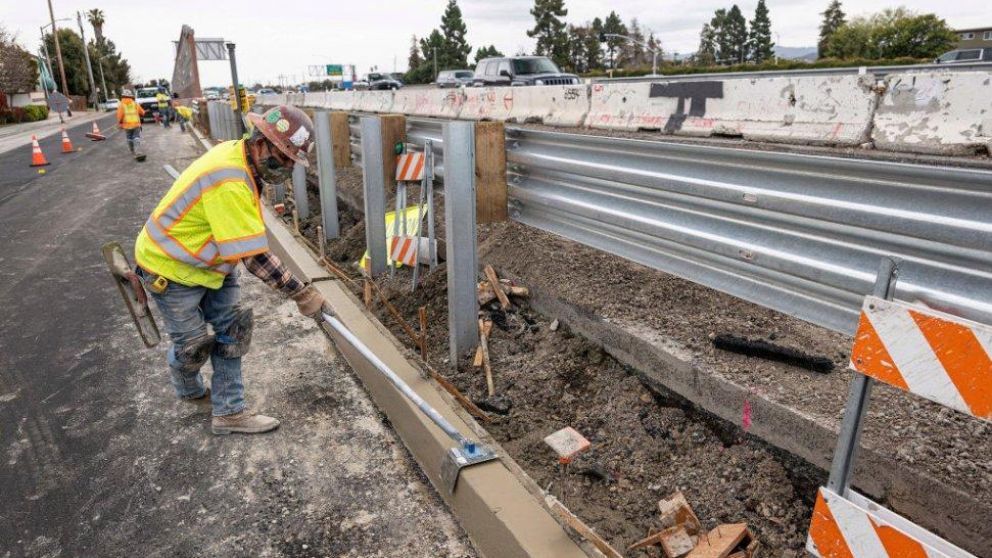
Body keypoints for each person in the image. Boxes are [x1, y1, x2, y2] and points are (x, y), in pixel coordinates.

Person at [133, 104, 329, 435]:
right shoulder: (229, 177)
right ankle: (186, 384)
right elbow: (254, 258)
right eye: (282, 158)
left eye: (290, 162)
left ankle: (229, 412)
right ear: (261, 142)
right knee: (193, 347)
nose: (284, 168)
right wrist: (303, 294)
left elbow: (242, 239)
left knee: (233, 331)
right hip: (170, 266)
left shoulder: (243, 158)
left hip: (213, 263)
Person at [116, 90, 145, 155]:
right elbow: (142, 112)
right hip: (136, 124)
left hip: (127, 126)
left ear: (123, 96)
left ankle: (132, 150)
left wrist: (120, 123)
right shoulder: (135, 104)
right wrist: (143, 112)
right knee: (136, 137)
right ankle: (138, 151)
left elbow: (119, 116)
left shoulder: (121, 105)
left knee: (129, 138)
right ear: (131, 96)